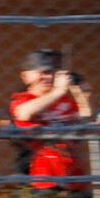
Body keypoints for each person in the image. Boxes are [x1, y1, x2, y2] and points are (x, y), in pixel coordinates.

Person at [9, 48, 92, 190]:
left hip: (73, 172)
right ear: (25, 77)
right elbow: (23, 113)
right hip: (46, 174)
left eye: (50, 72)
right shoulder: (23, 100)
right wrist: (58, 91)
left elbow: (85, 123)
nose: (48, 77)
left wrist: (82, 95)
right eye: (42, 73)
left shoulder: (65, 100)